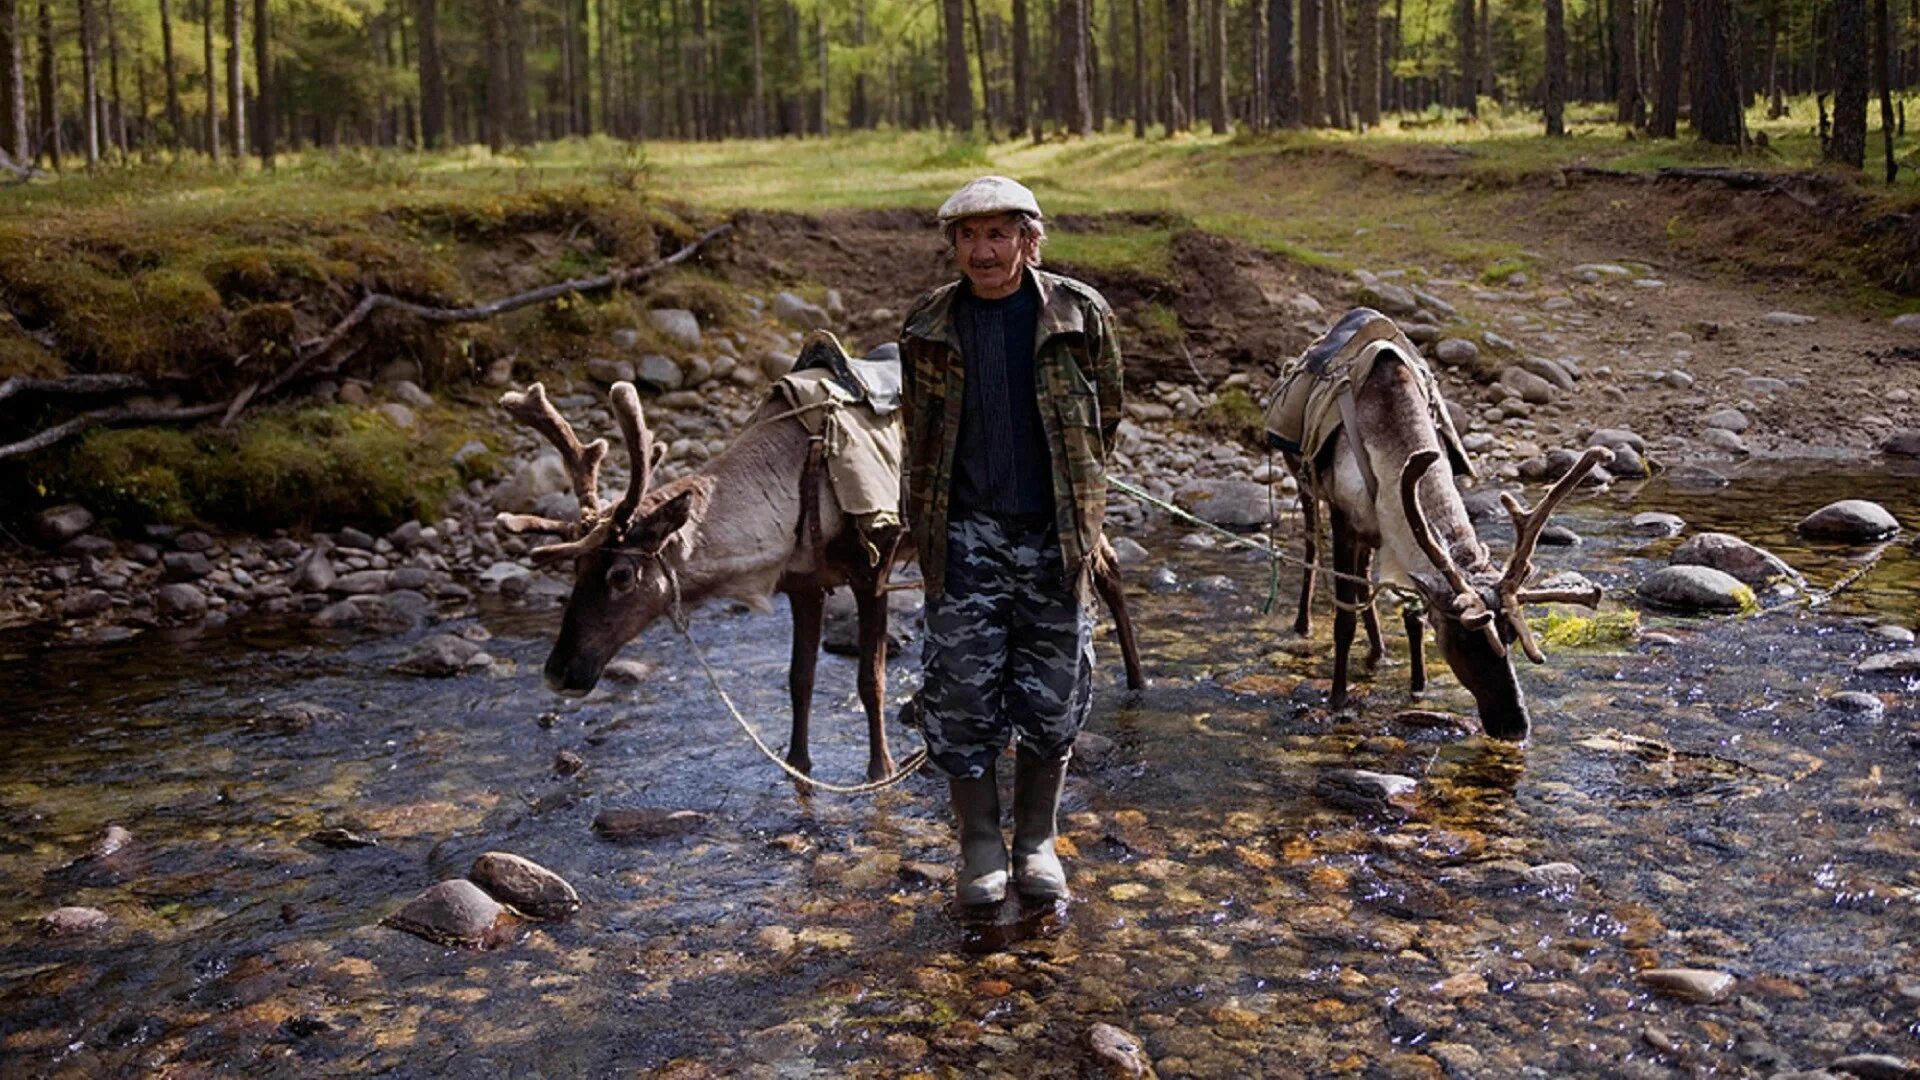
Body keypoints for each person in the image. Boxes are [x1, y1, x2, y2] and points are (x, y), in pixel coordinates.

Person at [898, 176, 1125, 907]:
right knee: (961, 692)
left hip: (1054, 538)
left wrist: (1084, 510)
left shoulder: (1080, 315)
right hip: (963, 535)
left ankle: (1035, 840)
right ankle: (980, 846)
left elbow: (1107, 415)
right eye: (968, 236)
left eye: (999, 234)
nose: (983, 250)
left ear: (1030, 240)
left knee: (1052, 694)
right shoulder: (928, 323)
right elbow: (920, 434)